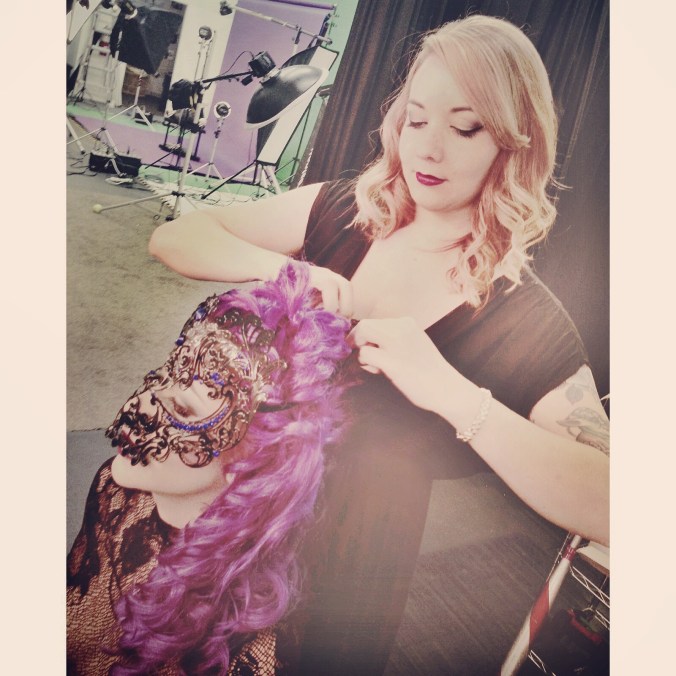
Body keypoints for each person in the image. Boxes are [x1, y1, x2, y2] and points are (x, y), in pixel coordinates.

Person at [148, 14, 609, 673]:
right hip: (218, 525)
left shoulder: (520, 317)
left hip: (334, 591)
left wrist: (454, 395)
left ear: (513, 142)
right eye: (417, 119)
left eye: (466, 128)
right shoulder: (343, 210)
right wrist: (287, 271)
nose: (429, 149)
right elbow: (176, 237)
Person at [67, 262, 353, 675]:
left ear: (250, 464)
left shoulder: (251, 652)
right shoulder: (117, 493)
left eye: (183, 409)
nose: (137, 405)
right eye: (162, 378)